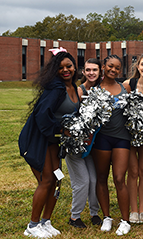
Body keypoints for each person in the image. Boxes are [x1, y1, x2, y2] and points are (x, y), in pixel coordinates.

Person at [19, 48, 79, 238]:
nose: (65, 70)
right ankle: (32, 225)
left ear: (74, 67)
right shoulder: (56, 88)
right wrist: (61, 129)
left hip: (55, 142)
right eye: (60, 68)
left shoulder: (74, 88)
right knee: (46, 180)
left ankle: (46, 221)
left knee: (57, 178)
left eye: (68, 66)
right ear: (55, 71)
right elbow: (42, 115)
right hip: (40, 139)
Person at [91, 55, 131, 236]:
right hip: (102, 138)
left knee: (119, 178)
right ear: (103, 67)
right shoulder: (95, 88)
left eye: (117, 68)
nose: (113, 70)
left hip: (122, 138)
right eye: (110, 66)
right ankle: (107, 217)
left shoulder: (125, 87)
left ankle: (125, 220)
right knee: (101, 177)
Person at [65, 58, 102, 228]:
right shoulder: (78, 91)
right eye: (88, 70)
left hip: (90, 145)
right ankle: (75, 217)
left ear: (99, 71)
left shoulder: (101, 91)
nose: (91, 73)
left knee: (94, 180)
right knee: (82, 181)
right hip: (75, 144)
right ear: (83, 72)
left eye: (94, 69)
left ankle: (94, 213)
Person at [122, 53, 143, 224]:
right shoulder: (129, 85)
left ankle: (142, 211)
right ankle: (133, 211)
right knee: (133, 172)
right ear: (137, 66)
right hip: (129, 136)